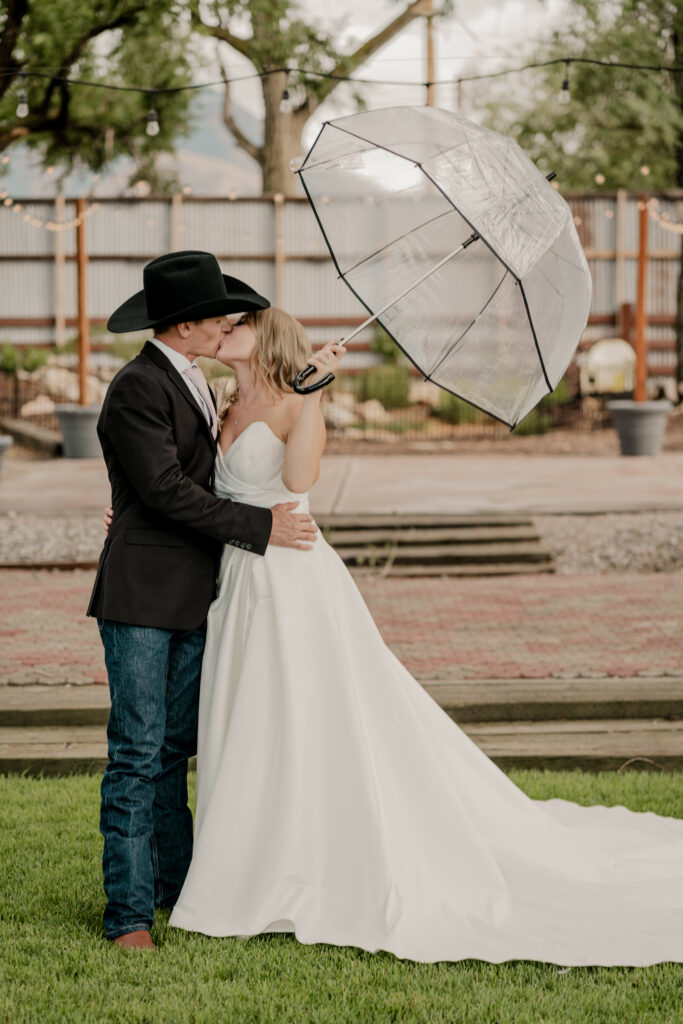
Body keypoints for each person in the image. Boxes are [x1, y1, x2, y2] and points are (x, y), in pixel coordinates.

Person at [107, 306, 683, 966]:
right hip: (234, 579)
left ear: (263, 337)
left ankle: (299, 858)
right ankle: (237, 857)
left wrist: (315, 397)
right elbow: (178, 481)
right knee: (244, 720)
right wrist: (127, 506)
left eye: (237, 323)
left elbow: (297, 483)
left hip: (289, 578)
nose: (223, 329)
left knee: (301, 714)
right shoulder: (218, 398)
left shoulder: (295, 404)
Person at [89, 252, 317, 951]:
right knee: (136, 750)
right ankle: (129, 916)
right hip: (142, 594)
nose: (228, 322)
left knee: (171, 751)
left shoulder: (191, 381)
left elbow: (199, 477)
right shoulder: (137, 386)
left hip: (198, 591)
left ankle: (175, 885)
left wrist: (305, 382)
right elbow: (163, 488)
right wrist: (261, 527)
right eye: (219, 315)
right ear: (185, 327)